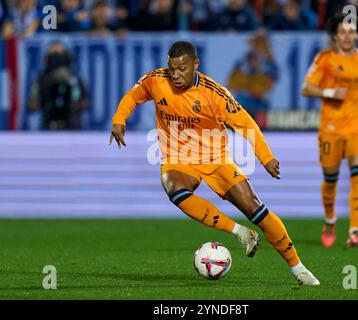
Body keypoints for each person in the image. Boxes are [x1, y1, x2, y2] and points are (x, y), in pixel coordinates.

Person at [109, 41, 320, 286]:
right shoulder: (156, 80)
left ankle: (298, 268)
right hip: (178, 159)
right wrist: (119, 119)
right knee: (175, 190)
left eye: (182, 69)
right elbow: (133, 96)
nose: (175, 75)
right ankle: (239, 232)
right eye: (172, 69)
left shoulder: (215, 94)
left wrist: (266, 157)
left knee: (256, 210)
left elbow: (247, 125)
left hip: (216, 160)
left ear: (195, 65)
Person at [301, 13, 358, 248]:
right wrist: (329, 93)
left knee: (357, 173)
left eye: (351, 31)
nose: (347, 36)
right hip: (331, 128)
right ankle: (329, 220)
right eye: (343, 32)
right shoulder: (324, 59)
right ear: (335, 36)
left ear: (357, 35)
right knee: (330, 179)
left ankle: (355, 231)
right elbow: (306, 88)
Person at [28, 41, 90, 130]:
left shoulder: (74, 78)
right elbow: (32, 104)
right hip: (49, 125)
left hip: (72, 126)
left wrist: (74, 101)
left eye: (60, 53)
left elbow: (85, 101)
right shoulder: (42, 78)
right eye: (54, 53)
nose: (57, 58)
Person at [227, 28, 279, 118]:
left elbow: (271, 82)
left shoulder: (270, 62)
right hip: (244, 100)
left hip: (261, 101)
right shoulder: (244, 60)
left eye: (262, 43)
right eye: (257, 42)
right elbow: (232, 82)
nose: (259, 46)